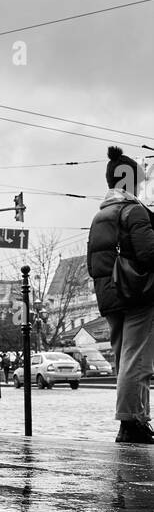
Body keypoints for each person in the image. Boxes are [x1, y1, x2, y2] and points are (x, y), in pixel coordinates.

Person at [87, 146, 154, 443]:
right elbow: (149, 253)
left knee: (124, 359)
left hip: (110, 297)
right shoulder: (134, 210)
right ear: (130, 182)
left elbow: (94, 265)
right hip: (138, 293)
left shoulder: (100, 215)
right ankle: (133, 422)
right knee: (138, 360)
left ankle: (134, 421)